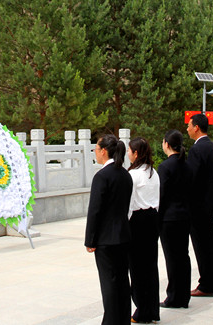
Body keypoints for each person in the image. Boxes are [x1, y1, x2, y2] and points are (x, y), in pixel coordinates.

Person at [85, 134, 133, 325]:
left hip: (106, 238)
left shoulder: (102, 176)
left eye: (96, 149)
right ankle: (122, 320)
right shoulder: (125, 174)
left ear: (103, 151)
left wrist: (90, 239)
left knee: (109, 284)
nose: (95, 153)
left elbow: (95, 211)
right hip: (123, 235)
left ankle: (111, 321)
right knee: (122, 281)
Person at [186, 113, 213, 297]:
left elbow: (191, 179)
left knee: (202, 246)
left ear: (197, 128)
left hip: (199, 207)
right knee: (211, 244)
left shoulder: (197, 150)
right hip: (212, 203)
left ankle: (206, 284)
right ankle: (212, 280)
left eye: (189, 125)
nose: (187, 129)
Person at [126, 137, 161, 323]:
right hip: (152, 219)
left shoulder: (134, 175)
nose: (128, 153)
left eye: (130, 150)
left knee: (138, 269)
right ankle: (152, 310)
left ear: (136, 153)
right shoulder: (153, 173)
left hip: (138, 221)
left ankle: (142, 310)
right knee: (150, 267)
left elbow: (129, 205)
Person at [157, 129, 193, 309]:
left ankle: (173, 297)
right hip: (185, 216)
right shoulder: (187, 165)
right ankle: (184, 296)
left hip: (169, 219)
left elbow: (161, 196)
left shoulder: (165, 167)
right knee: (183, 257)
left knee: (172, 259)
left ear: (167, 145)